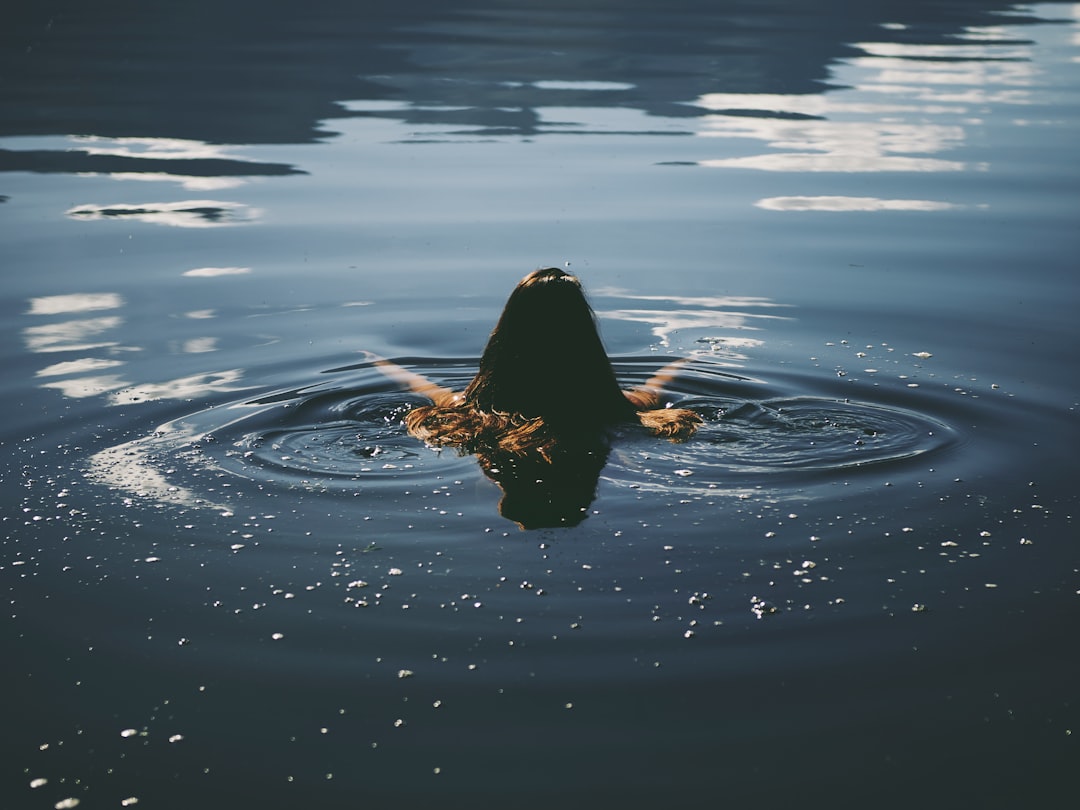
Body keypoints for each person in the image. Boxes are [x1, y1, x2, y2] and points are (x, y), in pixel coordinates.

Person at [373, 267, 701, 527]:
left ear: (505, 338)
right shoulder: (618, 410)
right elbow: (657, 387)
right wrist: (693, 357)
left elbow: (427, 389)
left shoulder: (470, 412)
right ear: (585, 342)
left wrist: (376, 360)